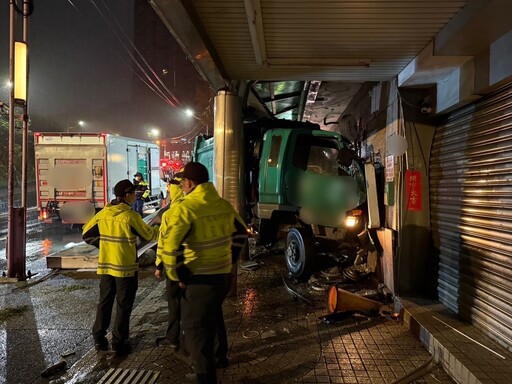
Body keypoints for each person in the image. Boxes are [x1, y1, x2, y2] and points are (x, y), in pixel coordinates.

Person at [157, 162, 247, 384]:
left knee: (195, 332)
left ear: (188, 183)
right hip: (221, 278)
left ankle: (205, 377)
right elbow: (241, 234)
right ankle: (210, 367)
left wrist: (179, 276)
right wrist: (230, 260)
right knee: (210, 321)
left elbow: (170, 248)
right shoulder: (223, 205)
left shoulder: (186, 208)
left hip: (198, 282)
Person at [82, 179, 160, 357]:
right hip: (125, 268)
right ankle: (119, 342)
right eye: (133, 193)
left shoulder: (103, 214)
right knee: (123, 305)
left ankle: (99, 340)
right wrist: (160, 226)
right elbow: (149, 234)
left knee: (105, 302)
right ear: (126, 195)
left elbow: (86, 233)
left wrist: (105, 246)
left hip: (106, 267)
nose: (135, 196)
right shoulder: (131, 217)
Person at [154, 169, 185, 349]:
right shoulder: (195, 208)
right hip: (196, 265)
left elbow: (162, 242)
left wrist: (159, 265)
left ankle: (173, 337)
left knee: (174, 303)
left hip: (174, 265)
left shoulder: (170, 214)